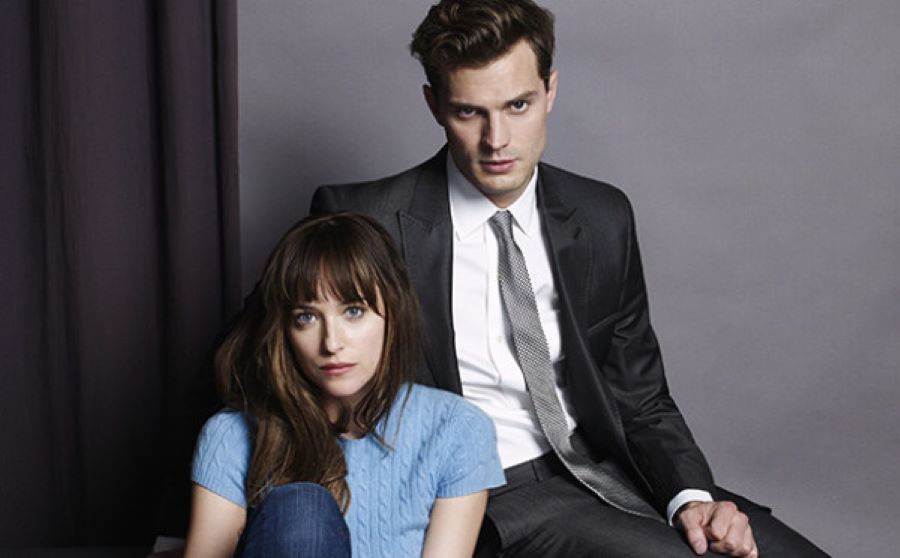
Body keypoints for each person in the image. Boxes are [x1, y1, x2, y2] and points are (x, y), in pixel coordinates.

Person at [310, 1, 827, 556]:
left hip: (612, 472)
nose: (496, 139)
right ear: (434, 105)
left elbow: (641, 398)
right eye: (469, 112)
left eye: (518, 105)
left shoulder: (601, 216)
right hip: (488, 496)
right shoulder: (365, 221)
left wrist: (691, 498)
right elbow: (264, 364)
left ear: (550, 90)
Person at [184, 212, 505, 557]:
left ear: (394, 313)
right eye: (306, 317)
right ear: (285, 331)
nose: (331, 343)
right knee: (303, 508)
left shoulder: (457, 428)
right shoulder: (232, 435)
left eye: (353, 311)